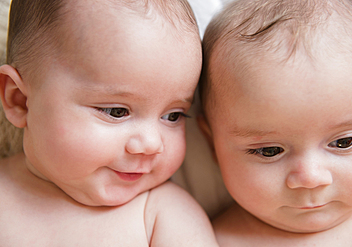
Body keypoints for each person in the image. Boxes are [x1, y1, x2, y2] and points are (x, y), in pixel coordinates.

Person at [0, 0, 218, 246]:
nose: (151, 143)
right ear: (20, 101)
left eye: (173, 116)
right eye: (116, 111)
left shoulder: (164, 215)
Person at [198, 0, 352, 246]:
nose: (310, 177)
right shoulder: (204, 239)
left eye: (344, 142)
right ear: (212, 143)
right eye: (269, 151)